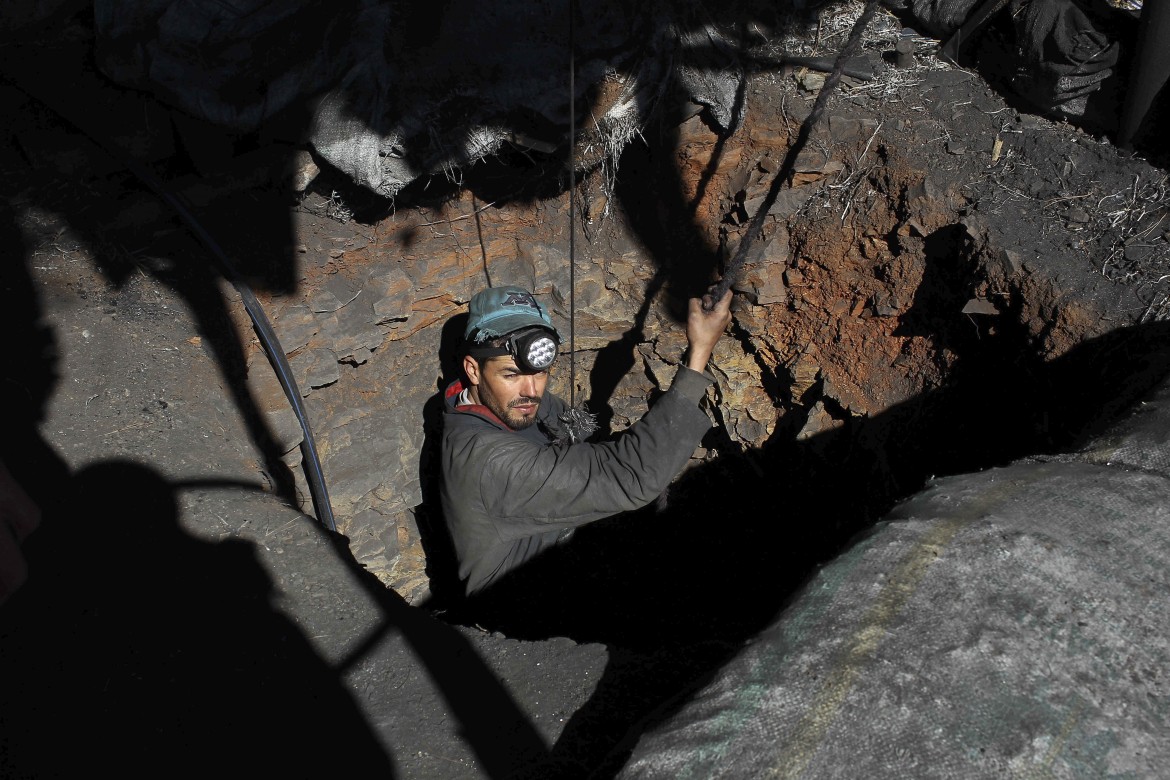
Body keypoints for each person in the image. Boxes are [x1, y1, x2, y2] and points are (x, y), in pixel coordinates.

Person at [439, 283, 733, 596]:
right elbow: (630, 475)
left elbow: (583, 437)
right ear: (473, 369)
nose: (530, 391)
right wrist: (699, 352)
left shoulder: (501, 402)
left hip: (551, 546)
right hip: (519, 608)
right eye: (511, 374)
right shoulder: (489, 461)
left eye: (539, 373)